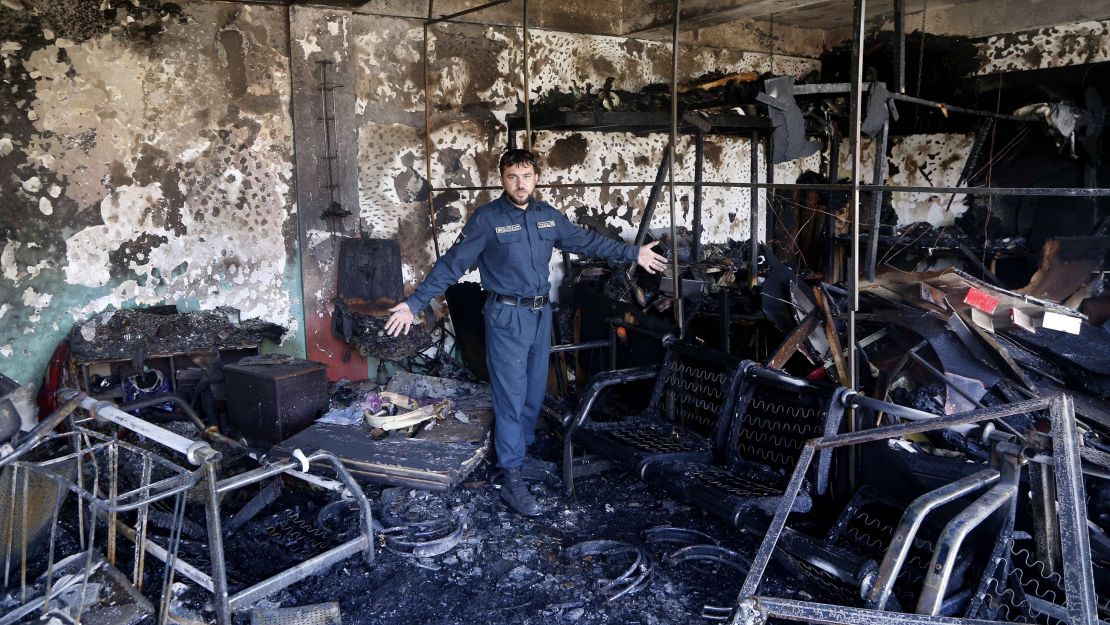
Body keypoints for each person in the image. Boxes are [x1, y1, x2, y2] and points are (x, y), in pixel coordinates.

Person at [385, 149, 668, 516]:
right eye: (512, 176)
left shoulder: (546, 217)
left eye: (526, 176)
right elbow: (451, 265)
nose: (520, 184)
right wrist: (415, 302)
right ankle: (511, 475)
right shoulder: (487, 220)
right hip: (506, 316)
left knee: (536, 391)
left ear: (536, 178)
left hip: (539, 315)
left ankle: (523, 454)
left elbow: (585, 240)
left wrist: (632, 253)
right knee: (510, 396)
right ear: (502, 179)